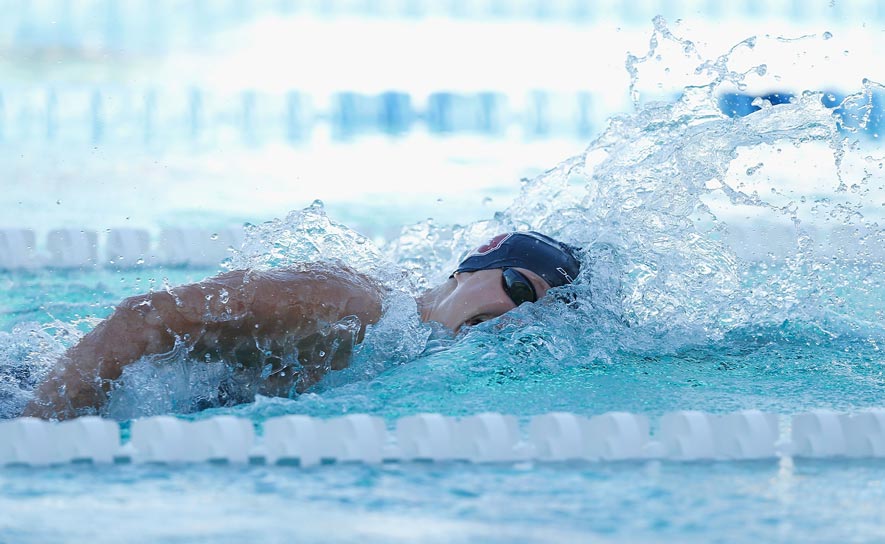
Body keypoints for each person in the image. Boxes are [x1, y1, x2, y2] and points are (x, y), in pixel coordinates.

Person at [23, 231, 581, 420]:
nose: (514, 317)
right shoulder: (348, 301)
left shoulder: (416, 354)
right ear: (472, 265)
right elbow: (142, 317)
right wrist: (39, 428)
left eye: (535, 317)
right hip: (27, 392)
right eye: (518, 290)